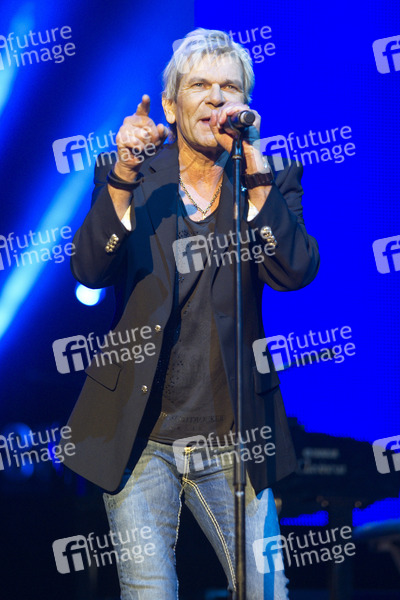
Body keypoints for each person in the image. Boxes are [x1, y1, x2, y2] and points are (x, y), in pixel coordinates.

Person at [63, 28, 320, 599]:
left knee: (266, 591)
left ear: (245, 106)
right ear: (172, 105)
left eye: (230, 87)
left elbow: (296, 271)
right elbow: (89, 269)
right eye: (199, 85)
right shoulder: (131, 175)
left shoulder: (269, 176)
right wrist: (123, 175)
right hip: (139, 435)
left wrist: (257, 181)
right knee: (150, 592)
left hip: (233, 434)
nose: (215, 98)